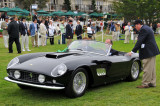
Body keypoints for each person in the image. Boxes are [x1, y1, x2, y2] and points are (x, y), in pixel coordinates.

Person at [127, 20, 160, 88]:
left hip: (148, 51)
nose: (135, 28)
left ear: (139, 24)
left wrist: (132, 51)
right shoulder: (146, 28)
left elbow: (139, 41)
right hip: (152, 51)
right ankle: (152, 83)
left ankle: (145, 84)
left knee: (147, 68)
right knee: (152, 68)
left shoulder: (144, 29)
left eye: (135, 26)